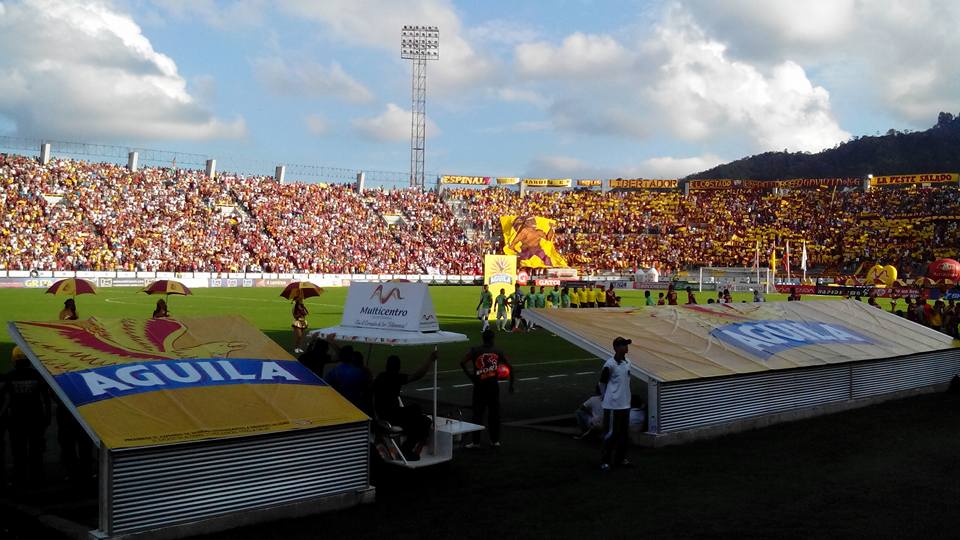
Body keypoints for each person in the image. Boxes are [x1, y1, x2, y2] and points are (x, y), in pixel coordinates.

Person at [373, 350, 438, 460]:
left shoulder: (380, 377)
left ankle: (408, 442)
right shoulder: (395, 377)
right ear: (398, 368)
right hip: (391, 415)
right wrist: (430, 360)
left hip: (385, 413)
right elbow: (418, 375)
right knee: (424, 421)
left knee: (415, 409)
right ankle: (407, 448)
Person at [1, 347, 51, 487]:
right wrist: (47, 416)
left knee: (19, 452)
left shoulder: (9, 377)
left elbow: (5, 399)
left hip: (16, 420)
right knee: (36, 451)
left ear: (14, 361)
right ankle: (38, 478)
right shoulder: (38, 376)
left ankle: (20, 479)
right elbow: (46, 398)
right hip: (36, 419)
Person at [460, 329, 514, 448]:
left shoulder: (475, 350)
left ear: (483, 338)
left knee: (477, 414)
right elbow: (510, 367)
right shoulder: (498, 351)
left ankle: (476, 442)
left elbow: (462, 362)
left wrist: (471, 377)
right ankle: (495, 441)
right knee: (494, 414)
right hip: (493, 387)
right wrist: (511, 385)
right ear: (493, 339)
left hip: (479, 387)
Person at [599, 337, 632, 471]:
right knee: (611, 433)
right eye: (624, 345)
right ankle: (605, 460)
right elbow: (602, 382)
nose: (626, 347)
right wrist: (605, 397)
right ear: (617, 348)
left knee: (623, 434)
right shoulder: (610, 364)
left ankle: (621, 459)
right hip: (613, 405)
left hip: (625, 404)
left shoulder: (628, 362)